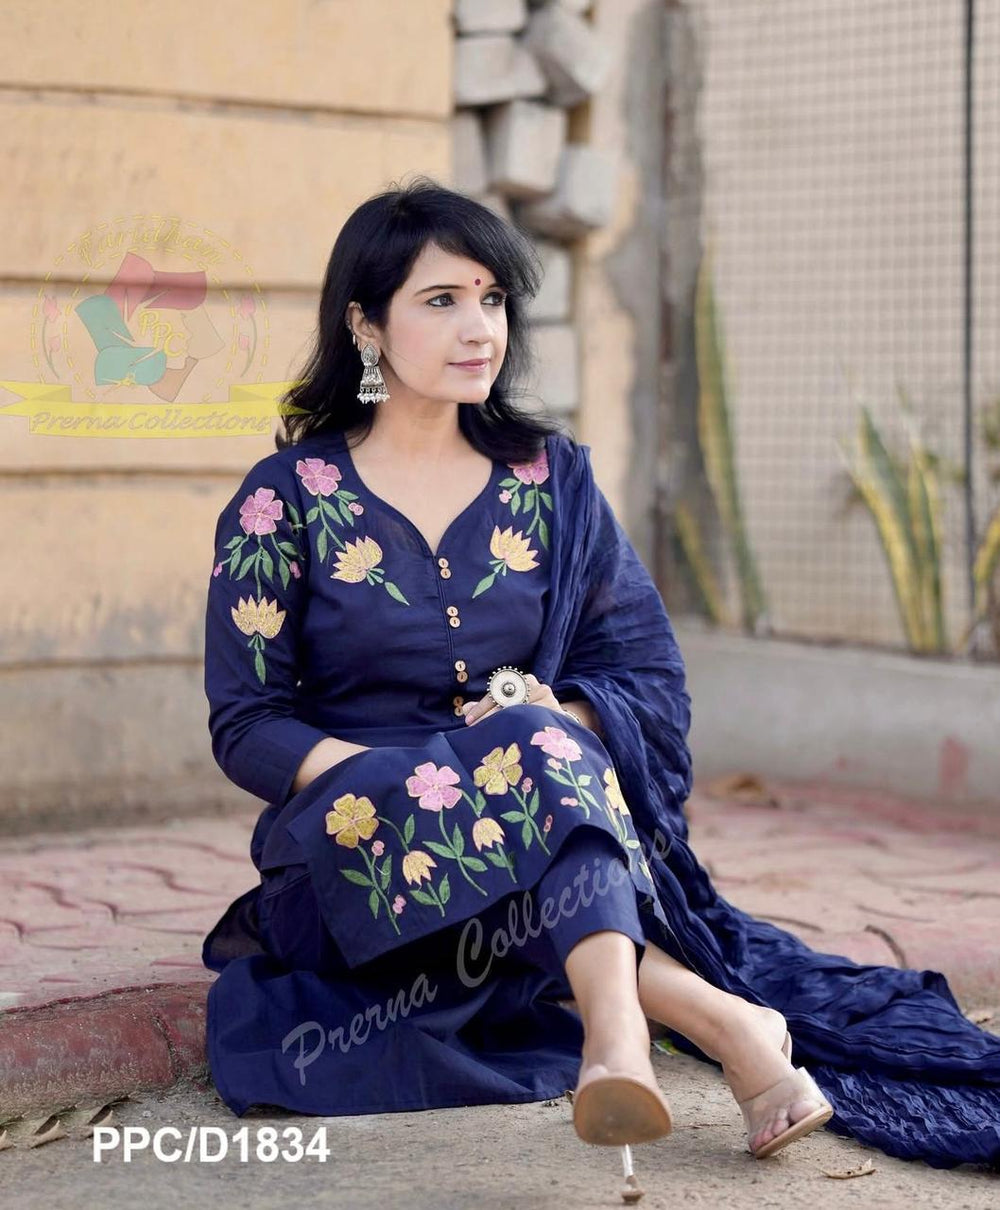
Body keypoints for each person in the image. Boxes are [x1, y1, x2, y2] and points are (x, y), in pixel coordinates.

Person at [201, 178, 1000, 1172]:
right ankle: (713, 1022)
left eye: (493, 298)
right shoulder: (284, 501)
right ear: (366, 324)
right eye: (441, 300)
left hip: (542, 800)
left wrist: (556, 719)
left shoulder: (554, 483)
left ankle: (619, 1043)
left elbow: (646, 674)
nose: (480, 328)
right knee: (527, 785)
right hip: (350, 840)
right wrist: (399, 782)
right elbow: (246, 722)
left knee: (538, 747)